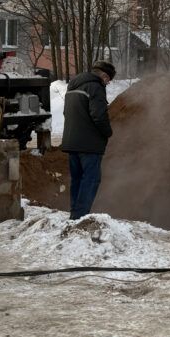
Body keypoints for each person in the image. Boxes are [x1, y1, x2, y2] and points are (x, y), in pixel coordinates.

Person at [60, 60, 115, 220]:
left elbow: (66, 113)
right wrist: (108, 132)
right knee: (91, 180)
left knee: (77, 179)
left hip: (72, 142)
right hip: (89, 145)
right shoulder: (96, 87)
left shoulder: (73, 87)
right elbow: (98, 115)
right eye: (108, 80)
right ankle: (80, 216)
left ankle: (74, 214)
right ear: (104, 76)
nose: (107, 83)